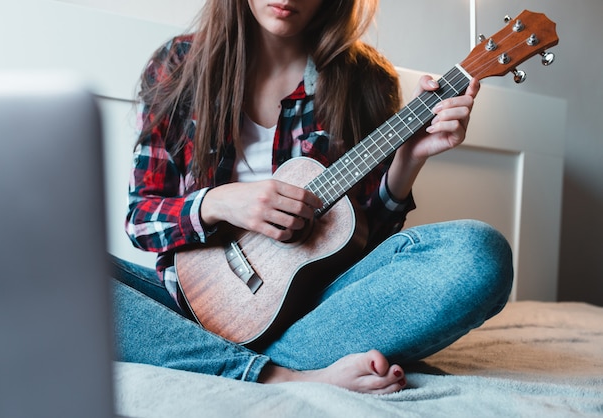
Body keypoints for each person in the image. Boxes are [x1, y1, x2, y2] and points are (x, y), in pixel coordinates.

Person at [111, 0, 513, 395]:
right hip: (190, 304)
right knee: (55, 261)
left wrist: (407, 161)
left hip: (315, 310)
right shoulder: (180, 63)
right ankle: (281, 375)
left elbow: (364, 246)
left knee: (478, 253)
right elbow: (142, 219)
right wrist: (220, 202)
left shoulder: (366, 79)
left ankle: (205, 356)